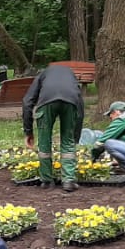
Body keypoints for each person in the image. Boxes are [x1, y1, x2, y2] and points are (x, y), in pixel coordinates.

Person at [21, 64, 85, 192]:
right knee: (68, 141)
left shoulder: (42, 74)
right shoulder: (70, 75)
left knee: (44, 142)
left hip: (46, 102)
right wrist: (76, 134)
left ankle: (46, 181)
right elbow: (80, 105)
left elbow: (27, 102)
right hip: (71, 101)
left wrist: (28, 132)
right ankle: (68, 181)